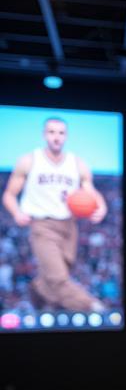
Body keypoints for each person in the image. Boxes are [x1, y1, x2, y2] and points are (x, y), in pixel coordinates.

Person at [2, 116, 107, 313]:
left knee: (57, 274)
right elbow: (9, 194)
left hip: (69, 225)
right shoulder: (29, 160)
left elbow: (90, 190)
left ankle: (37, 290)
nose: (56, 137)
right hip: (42, 225)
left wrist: (101, 206)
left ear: (66, 136)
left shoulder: (77, 163)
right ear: (44, 135)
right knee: (58, 279)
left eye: (60, 133)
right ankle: (95, 308)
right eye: (51, 132)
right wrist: (16, 212)